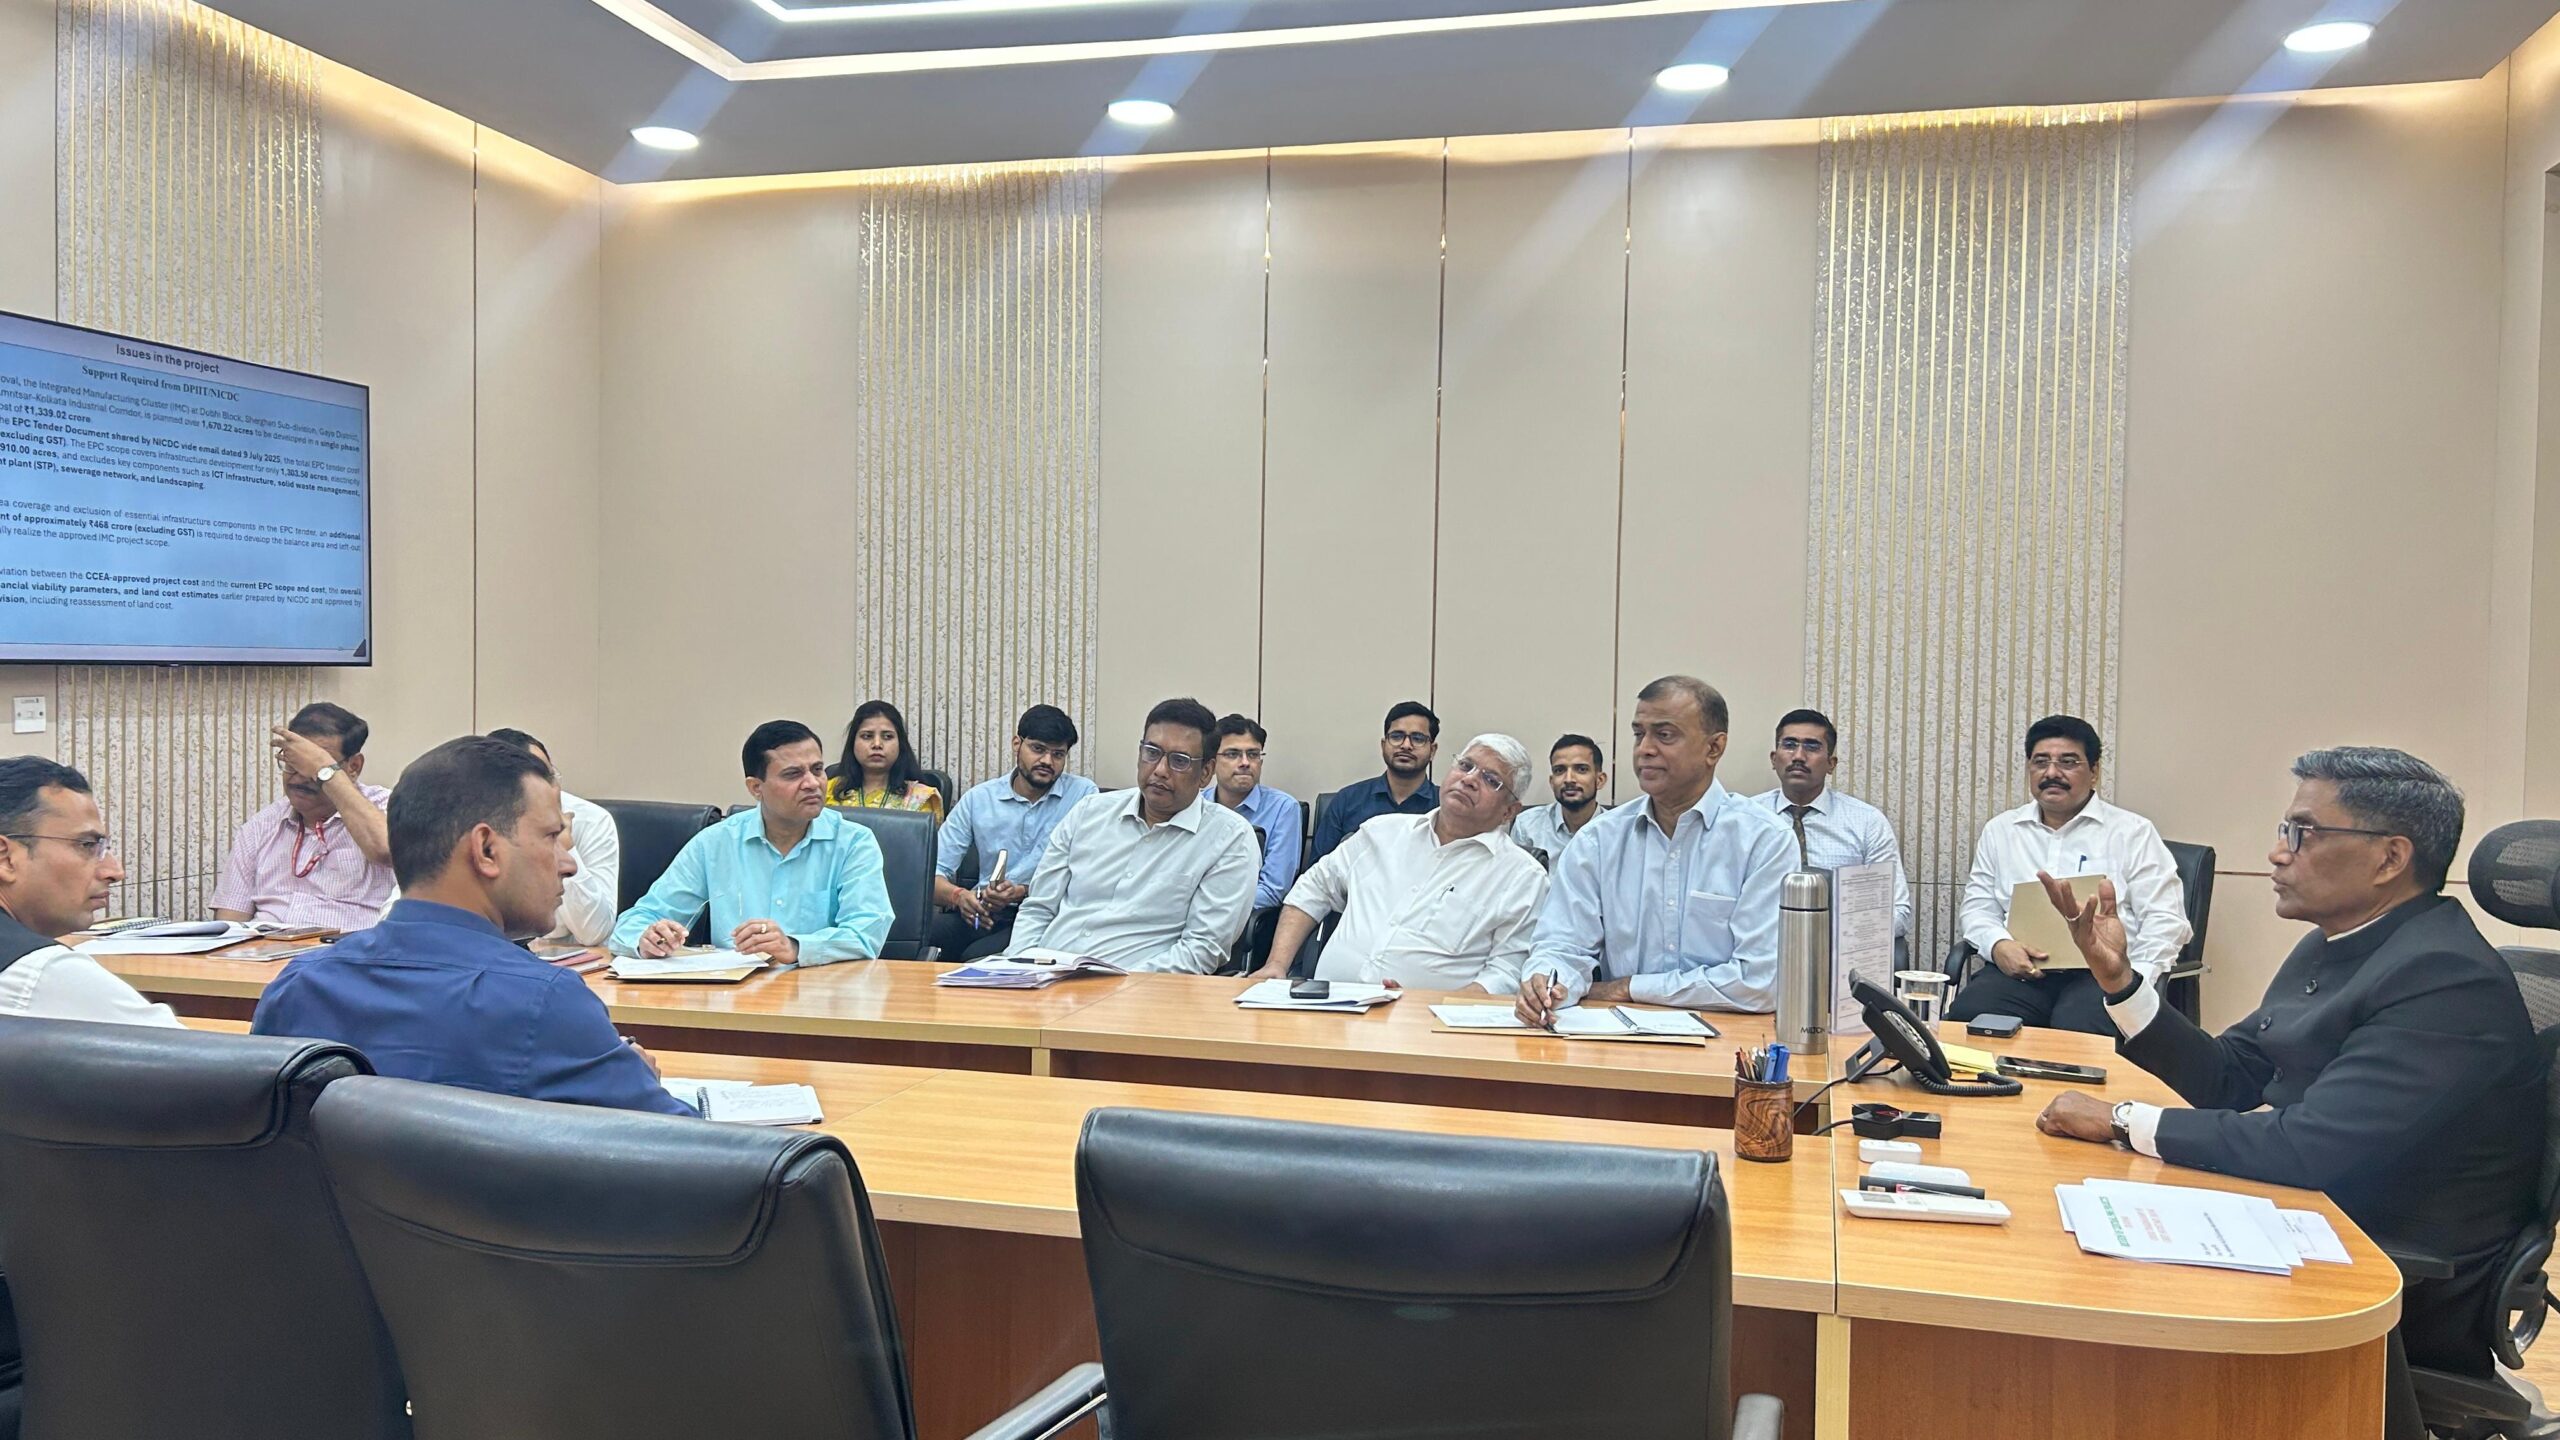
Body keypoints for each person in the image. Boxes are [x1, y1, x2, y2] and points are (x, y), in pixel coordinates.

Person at [2029, 748, 2545, 1440]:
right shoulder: (2340, 943)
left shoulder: (2446, 977)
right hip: (2314, 1219)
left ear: (2390, 858)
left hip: (2387, 1275)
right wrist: (2120, 982)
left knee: (2094, 1303)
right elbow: (2231, 1077)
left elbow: (2308, 1148)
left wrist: (2123, 1120)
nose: (2277, 852)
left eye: (2302, 833)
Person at [251, 736, 692, 1115]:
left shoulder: (298, 987)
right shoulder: (544, 1003)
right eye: (550, 837)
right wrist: (638, 1085)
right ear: (486, 850)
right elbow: (692, 1156)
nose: (568, 864)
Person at [1515, 676, 1795, 1021]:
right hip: (1615, 1034)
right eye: (1639, 734)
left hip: (1728, 1034)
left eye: (1665, 735)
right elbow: (1562, 944)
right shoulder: (1599, 839)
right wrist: (1548, 980)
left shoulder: (1764, 839)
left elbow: (1759, 981)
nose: (1644, 749)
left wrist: (1629, 988)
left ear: (1714, 748)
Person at [1944, 714, 2189, 1035]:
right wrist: (1998, 945)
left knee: (2081, 1029)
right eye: (2040, 762)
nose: (2052, 773)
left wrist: (2131, 982)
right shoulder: (2001, 831)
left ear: (2094, 771)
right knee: (1969, 1019)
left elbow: (2166, 921)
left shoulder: (2133, 833)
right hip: (2022, 973)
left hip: (2101, 975)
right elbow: (1977, 909)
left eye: (2068, 762)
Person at [1252, 734, 1547, 990]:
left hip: (1424, 1026)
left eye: (1490, 780)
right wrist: (1277, 964)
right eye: (1465, 765)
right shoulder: (1381, 831)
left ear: (1510, 811)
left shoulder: (1522, 876)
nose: (1469, 779)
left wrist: (1435, 1008)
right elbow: (1313, 888)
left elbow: (1505, 973)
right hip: (1328, 1007)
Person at [608, 720, 893, 966]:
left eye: (817, 769)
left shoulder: (854, 842)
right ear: (756, 788)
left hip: (822, 993)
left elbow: (867, 932)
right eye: (793, 774)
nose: (812, 783)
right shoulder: (715, 844)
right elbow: (637, 919)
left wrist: (795, 947)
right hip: (736, 996)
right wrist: (647, 937)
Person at [1010, 697, 1259, 973]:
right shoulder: (1089, 812)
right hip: (1040, 977)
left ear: (1206, 773)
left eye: (1179, 761)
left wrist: (1117, 988)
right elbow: (1038, 909)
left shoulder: (1230, 838)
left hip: (1136, 989)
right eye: (1152, 753)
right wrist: (1016, 970)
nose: (1160, 770)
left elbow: (1200, 950)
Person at [376, 728, 620, 947]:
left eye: (548, 776)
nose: (569, 866)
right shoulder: (458, 818)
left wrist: (563, 842)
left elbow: (594, 932)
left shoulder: (591, 820)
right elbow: (399, 911)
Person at [0, 756, 176, 1027]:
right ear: (5, 859)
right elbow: (194, 1051)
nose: (115, 871)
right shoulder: (41, 973)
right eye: (86, 845)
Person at [211, 701, 393, 932]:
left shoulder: (386, 809)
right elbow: (229, 923)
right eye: (292, 763)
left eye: (312, 767)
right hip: (266, 949)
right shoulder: (261, 827)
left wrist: (325, 772)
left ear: (354, 766)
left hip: (349, 950)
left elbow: (386, 849)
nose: (299, 778)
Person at [932, 705, 1098, 960]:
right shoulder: (979, 799)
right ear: (1017, 744)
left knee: (975, 956)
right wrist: (960, 896)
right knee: (919, 937)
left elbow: (1088, 875)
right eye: (1038, 749)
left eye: (1058, 754)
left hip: (1044, 915)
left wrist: (1022, 890)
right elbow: (931, 875)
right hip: (982, 910)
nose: (1047, 761)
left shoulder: (1083, 796)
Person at [1750, 708, 1913, 940]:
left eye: (1812, 747)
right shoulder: (1746, 818)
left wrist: (1833, 931)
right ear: (1774, 759)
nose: (1798, 756)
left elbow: (1897, 911)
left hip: (1840, 949)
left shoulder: (1866, 822)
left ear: (1831, 764)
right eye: (1789, 745)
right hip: (1758, 950)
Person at [1307, 701, 1441, 866]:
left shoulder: (1446, 807)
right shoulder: (1347, 800)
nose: (1406, 745)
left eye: (1418, 738)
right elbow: (1317, 872)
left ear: (1432, 750)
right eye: (1397, 736)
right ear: (1383, 745)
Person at [1208, 714, 1301, 910]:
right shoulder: (1195, 805)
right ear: (1212, 762)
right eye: (1232, 754)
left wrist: (1210, 906)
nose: (1245, 762)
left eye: (1253, 754)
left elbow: (1273, 890)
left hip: (1242, 918)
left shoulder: (1283, 808)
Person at [825, 700, 944, 819]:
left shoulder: (921, 798)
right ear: (853, 743)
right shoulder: (827, 791)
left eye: (887, 736)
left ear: (900, 744)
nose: (877, 744)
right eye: (867, 736)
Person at [1510, 733, 1609, 866]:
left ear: (1600, 780)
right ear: (1552, 782)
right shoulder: (1527, 827)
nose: (1569, 779)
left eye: (1581, 769)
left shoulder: (1617, 830)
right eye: (1559, 770)